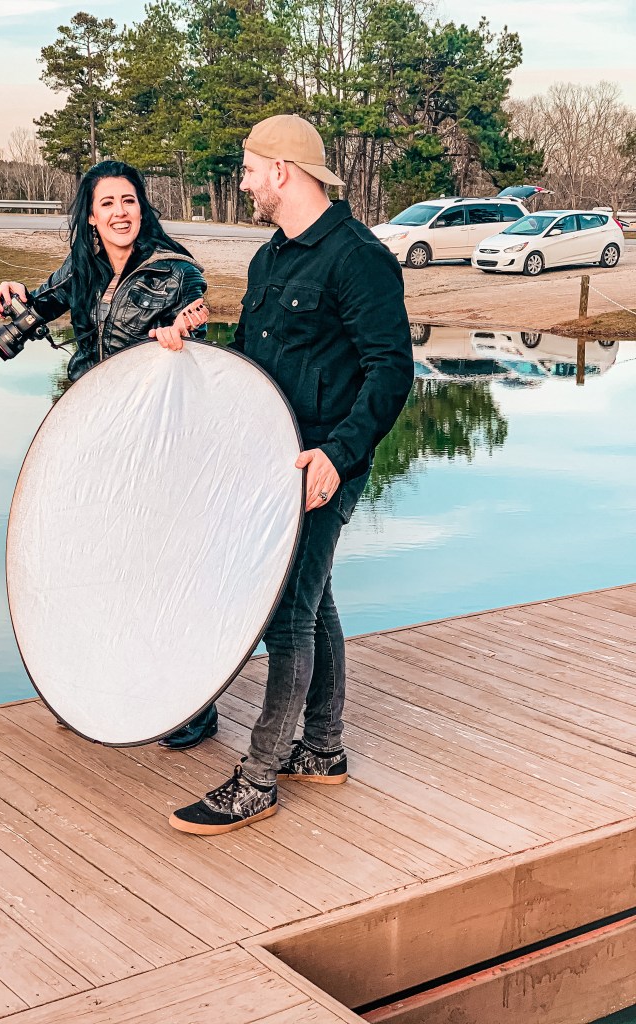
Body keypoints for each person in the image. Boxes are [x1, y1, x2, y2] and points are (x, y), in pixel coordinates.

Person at [165, 114, 414, 835]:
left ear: (282, 170)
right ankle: (324, 748)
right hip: (271, 460)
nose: (244, 183)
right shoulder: (270, 259)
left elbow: (391, 370)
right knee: (314, 596)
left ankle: (258, 779)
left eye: (249, 170)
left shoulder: (358, 258)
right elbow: (254, 362)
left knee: (286, 615)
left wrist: (338, 455)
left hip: (324, 463)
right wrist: (194, 345)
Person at [0, 159, 219, 749]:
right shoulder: (84, 267)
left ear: (142, 207)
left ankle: (193, 706)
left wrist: (181, 335)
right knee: (95, 562)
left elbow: (199, 343)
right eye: (107, 204)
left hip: (151, 440)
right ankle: (100, 690)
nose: (120, 213)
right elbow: (39, 306)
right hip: (90, 431)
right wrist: (13, 293)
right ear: (90, 217)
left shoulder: (176, 272)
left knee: (157, 566)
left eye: (128, 200)